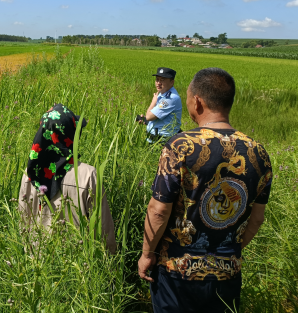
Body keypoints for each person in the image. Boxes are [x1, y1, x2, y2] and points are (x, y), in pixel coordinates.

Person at [138, 67, 273, 312]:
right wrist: (228, 255)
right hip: (228, 275)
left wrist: (147, 254)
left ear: (197, 101)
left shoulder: (181, 146)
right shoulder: (258, 153)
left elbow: (158, 211)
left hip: (177, 272)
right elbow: (257, 219)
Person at [18, 103, 116, 254]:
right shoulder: (89, 175)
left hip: (37, 262)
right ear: (70, 135)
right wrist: (111, 263)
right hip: (76, 267)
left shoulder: (30, 173)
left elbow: (23, 220)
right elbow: (103, 230)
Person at [138, 67, 183, 143]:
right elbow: (159, 118)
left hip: (163, 142)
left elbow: (149, 116)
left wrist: (153, 101)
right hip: (155, 139)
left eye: (162, 80)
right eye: (157, 79)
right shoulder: (162, 94)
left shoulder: (170, 98)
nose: (158, 83)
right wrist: (146, 121)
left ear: (172, 82)